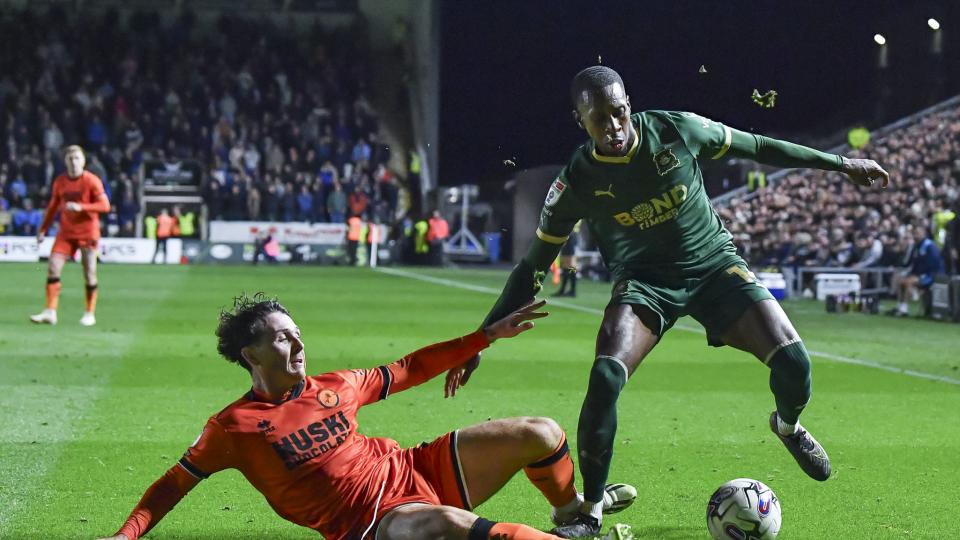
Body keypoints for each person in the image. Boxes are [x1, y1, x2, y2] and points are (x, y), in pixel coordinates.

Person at [445, 66, 891, 538]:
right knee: (604, 377)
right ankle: (590, 512)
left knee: (795, 364)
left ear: (629, 104)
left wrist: (841, 164)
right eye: (600, 119)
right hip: (644, 286)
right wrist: (479, 340)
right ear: (581, 121)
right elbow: (532, 268)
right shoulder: (577, 181)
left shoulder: (677, 130)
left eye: (619, 113)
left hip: (716, 269)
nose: (614, 127)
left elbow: (758, 147)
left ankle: (787, 425)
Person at [96, 296, 604, 540]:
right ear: (251, 353)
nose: (297, 343)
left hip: (414, 473)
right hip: (371, 524)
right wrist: (126, 535)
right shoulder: (232, 427)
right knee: (448, 525)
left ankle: (569, 517)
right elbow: (173, 484)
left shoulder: (336, 386)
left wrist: (484, 337)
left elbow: (409, 368)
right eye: (280, 337)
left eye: (296, 333)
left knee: (539, 433)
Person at [30, 145, 110, 327]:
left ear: (83, 161)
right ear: (65, 162)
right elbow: (52, 207)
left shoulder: (92, 181)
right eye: (70, 159)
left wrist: (82, 207)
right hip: (66, 232)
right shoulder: (60, 182)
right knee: (53, 267)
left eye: (77, 158)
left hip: (88, 231)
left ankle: (90, 313)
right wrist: (43, 228)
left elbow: (105, 206)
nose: (73, 162)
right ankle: (50, 312)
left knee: (89, 273)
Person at [888, 224, 943, 317]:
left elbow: (934, 263)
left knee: (908, 282)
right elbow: (912, 262)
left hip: (931, 275)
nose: (915, 236)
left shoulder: (929, 246)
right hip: (919, 274)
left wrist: (919, 274)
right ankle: (900, 306)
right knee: (900, 280)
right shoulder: (916, 246)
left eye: (917, 233)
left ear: (924, 234)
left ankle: (904, 309)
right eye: (914, 233)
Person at [553, 221, 581, 297]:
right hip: (569, 239)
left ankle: (572, 291)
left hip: (570, 240)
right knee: (567, 268)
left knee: (571, 268)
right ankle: (564, 290)